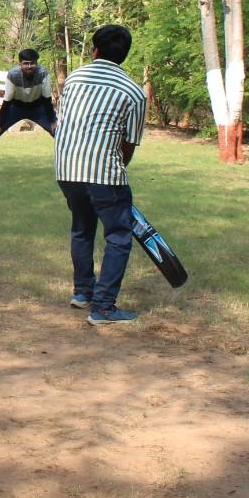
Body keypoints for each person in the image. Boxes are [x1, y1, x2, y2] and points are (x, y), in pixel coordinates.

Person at [53, 24, 148, 325]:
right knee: (119, 237)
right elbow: (128, 144)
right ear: (125, 55)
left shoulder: (74, 78)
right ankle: (104, 307)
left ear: (95, 50)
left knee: (82, 228)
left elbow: (66, 122)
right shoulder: (134, 92)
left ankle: (83, 293)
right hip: (103, 173)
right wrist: (117, 169)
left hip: (66, 169)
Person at [0, 48, 58, 178]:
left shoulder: (43, 74)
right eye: (25, 63)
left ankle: (72, 169)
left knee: (61, 134)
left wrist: (53, 121)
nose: (29, 66)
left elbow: (46, 100)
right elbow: (7, 100)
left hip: (38, 108)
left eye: (32, 63)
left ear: (37, 64)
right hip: (15, 107)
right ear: (20, 64)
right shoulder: (13, 74)